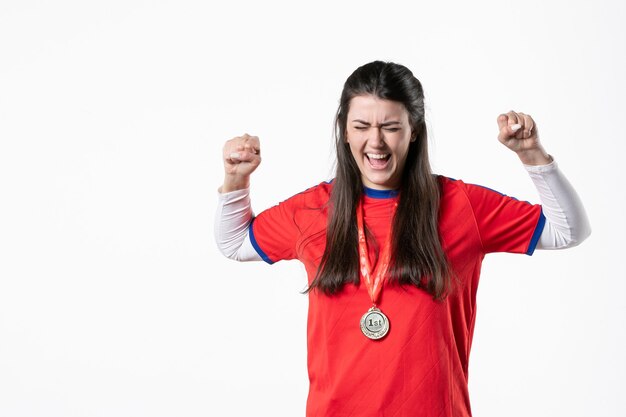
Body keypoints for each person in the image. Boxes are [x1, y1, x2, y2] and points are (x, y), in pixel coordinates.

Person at [214, 61, 590, 417]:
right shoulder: (313, 211)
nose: (375, 142)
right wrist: (237, 178)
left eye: (390, 127)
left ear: (414, 131)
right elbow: (233, 242)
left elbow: (568, 230)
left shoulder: (461, 206)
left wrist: (532, 154)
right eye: (361, 126)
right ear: (344, 131)